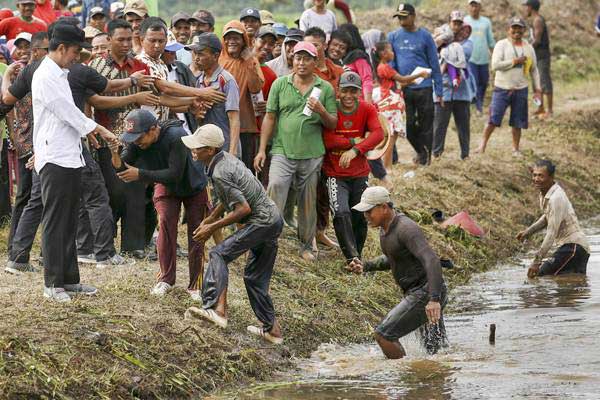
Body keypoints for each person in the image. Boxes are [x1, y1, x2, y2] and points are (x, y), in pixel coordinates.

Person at [31, 23, 118, 301]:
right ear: (60, 48)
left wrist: (86, 135)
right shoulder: (45, 75)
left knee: (69, 220)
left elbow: (69, 116)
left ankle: (69, 279)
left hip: (69, 155)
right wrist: (97, 129)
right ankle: (53, 283)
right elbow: (68, 112)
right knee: (56, 221)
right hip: (54, 156)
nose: (77, 58)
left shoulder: (61, 73)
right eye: (75, 52)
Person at [183, 124, 284, 345]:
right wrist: (209, 220)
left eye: (197, 148)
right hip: (273, 220)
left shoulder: (220, 171)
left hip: (261, 222)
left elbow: (243, 209)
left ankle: (217, 310)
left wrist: (212, 227)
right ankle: (273, 331)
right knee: (254, 278)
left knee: (219, 254)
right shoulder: (223, 160)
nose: (193, 151)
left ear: (210, 150)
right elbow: (224, 198)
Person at [110, 110, 209, 298]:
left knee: (197, 234)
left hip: (192, 184)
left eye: (139, 137)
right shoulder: (136, 141)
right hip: (165, 185)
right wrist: (115, 153)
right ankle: (165, 279)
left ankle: (196, 285)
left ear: (154, 129)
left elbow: (175, 174)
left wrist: (140, 174)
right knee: (165, 225)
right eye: (132, 137)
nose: (136, 142)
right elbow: (122, 166)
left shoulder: (176, 136)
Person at [254, 42, 337, 262]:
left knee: (308, 199)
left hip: (312, 154)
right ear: (292, 59)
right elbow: (270, 117)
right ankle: (267, 240)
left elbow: (332, 123)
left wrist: (320, 110)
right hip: (282, 150)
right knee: (276, 186)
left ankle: (306, 245)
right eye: (298, 58)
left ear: (314, 61)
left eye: (306, 58)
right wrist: (262, 149)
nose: (301, 63)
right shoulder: (280, 84)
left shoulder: (324, 88)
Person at [347, 186, 448, 359]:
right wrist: (367, 266)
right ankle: (431, 380)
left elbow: (431, 260)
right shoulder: (384, 228)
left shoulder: (406, 229)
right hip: (419, 292)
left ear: (384, 207)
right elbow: (394, 257)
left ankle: (404, 373)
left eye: (369, 211)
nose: (366, 216)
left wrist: (434, 300)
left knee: (383, 335)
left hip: (425, 293)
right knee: (435, 352)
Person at [323, 72, 383, 263]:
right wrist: (351, 140)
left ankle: (357, 254)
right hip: (335, 174)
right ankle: (351, 257)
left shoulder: (367, 108)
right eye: (345, 91)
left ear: (359, 92)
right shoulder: (330, 109)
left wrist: (355, 150)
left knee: (359, 214)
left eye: (353, 91)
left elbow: (378, 134)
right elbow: (327, 139)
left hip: (359, 173)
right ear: (338, 91)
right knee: (341, 213)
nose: (349, 96)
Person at [388, 3, 443, 166]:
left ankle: (425, 160)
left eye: (404, 16)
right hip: (405, 88)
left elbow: (435, 64)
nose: (401, 20)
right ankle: (421, 151)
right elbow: (391, 63)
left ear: (413, 16)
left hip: (424, 87)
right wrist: (397, 81)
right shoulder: (393, 36)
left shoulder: (425, 36)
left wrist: (439, 90)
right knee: (409, 125)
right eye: (399, 17)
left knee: (426, 124)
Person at [477, 17, 541, 156]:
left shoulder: (528, 47)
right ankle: (482, 146)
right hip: (502, 88)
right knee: (493, 119)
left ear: (524, 30)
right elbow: (495, 65)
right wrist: (514, 61)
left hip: (521, 88)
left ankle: (515, 149)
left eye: (519, 28)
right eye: (514, 28)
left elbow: (534, 69)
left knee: (518, 121)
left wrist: (538, 89)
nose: (516, 31)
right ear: (508, 29)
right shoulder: (501, 45)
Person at [304, 26, 343, 248]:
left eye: (316, 45)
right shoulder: (303, 73)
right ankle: (309, 232)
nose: (311, 49)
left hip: (332, 134)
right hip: (310, 135)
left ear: (324, 45)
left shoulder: (337, 71)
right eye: (307, 44)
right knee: (311, 186)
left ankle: (321, 230)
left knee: (327, 185)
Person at [517, 160, 590, 278]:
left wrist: (536, 262)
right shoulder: (545, 193)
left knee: (540, 275)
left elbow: (551, 233)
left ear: (551, 177)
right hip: (575, 249)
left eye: (541, 176)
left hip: (573, 247)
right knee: (571, 285)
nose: (536, 179)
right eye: (534, 175)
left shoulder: (556, 198)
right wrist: (528, 232)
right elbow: (547, 217)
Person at [372, 40, 427, 170]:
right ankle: (387, 167)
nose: (393, 53)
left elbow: (397, 84)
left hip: (392, 102)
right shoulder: (384, 67)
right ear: (383, 53)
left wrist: (412, 80)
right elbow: (401, 79)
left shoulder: (384, 67)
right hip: (391, 104)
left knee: (392, 136)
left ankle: (387, 165)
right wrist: (419, 74)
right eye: (390, 50)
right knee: (391, 137)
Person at [219, 21, 264, 173]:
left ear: (243, 40)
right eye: (228, 37)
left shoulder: (251, 60)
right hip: (222, 123)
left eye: (236, 37)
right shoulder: (218, 60)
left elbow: (255, 88)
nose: (232, 41)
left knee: (244, 170)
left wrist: (249, 61)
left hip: (245, 125)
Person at [432, 11, 474, 161]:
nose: (456, 26)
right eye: (454, 23)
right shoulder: (441, 38)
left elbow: (459, 57)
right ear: (449, 23)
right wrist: (442, 40)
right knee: (439, 125)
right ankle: (436, 154)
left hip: (462, 92)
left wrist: (444, 44)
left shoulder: (467, 42)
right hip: (443, 89)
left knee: (463, 125)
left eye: (459, 23)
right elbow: (433, 53)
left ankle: (465, 154)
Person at [189, 32, 241, 155]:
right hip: (207, 148)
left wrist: (232, 152)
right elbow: (200, 119)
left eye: (201, 54)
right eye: (195, 53)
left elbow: (234, 118)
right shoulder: (200, 81)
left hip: (225, 147)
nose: (196, 58)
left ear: (215, 55)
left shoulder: (226, 80)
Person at [522, 0, 553, 119]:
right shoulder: (534, 20)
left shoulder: (538, 20)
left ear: (531, 7)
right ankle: (540, 108)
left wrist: (526, 50)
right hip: (535, 55)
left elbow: (537, 40)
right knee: (536, 83)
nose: (525, 9)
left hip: (541, 55)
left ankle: (550, 110)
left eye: (526, 7)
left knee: (544, 80)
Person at [464, 0, 495, 114]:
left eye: (476, 5)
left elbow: (490, 40)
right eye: (472, 5)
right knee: (475, 82)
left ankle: (478, 101)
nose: (474, 8)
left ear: (480, 6)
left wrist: (494, 53)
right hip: (471, 58)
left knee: (484, 82)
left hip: (483, 58)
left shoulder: (486, 22)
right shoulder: (465, 20)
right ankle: (478, 107)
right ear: (469, 7)